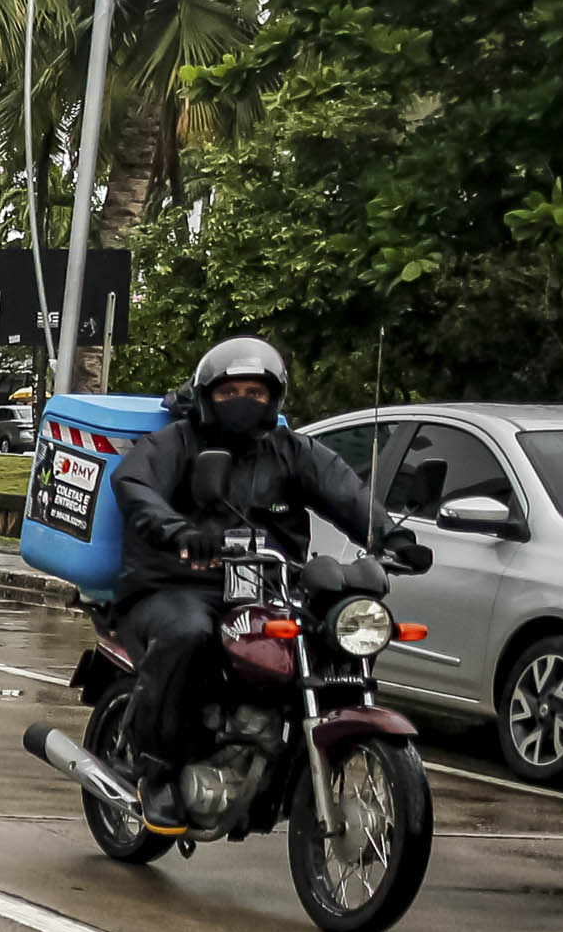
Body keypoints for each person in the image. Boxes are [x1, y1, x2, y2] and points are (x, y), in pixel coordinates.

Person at [107, 334, 421, 835]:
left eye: (256, 392)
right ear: (207, 395)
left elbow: (346, 491)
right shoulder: (176, 442)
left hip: (268, 586)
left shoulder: (292, 452)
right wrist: (181, 532)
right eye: (231, 392)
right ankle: (158, 770)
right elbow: (135, 486)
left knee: (326, 635)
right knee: (189, 635)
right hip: (177, 584)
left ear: (274, 398)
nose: (243, 402)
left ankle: (277, 755)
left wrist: (391, 535)